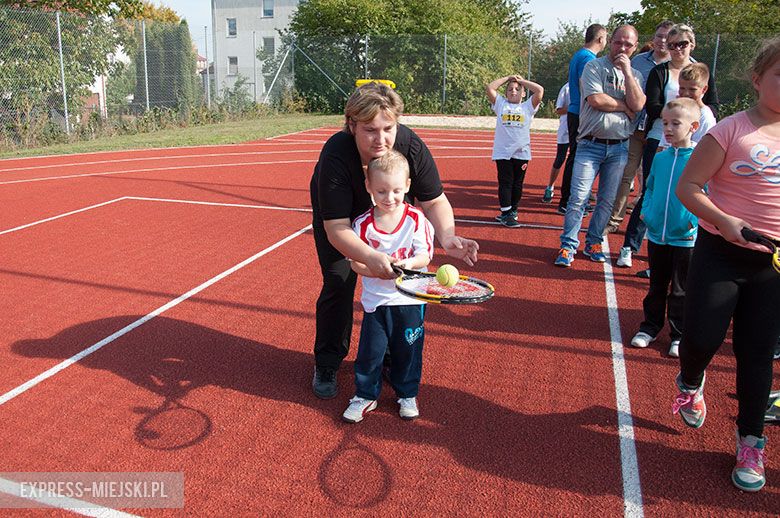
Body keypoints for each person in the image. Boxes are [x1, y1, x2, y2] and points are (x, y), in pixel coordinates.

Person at [309, 82, 479, 400]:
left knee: (399, 283)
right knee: (339, 278)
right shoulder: (336, 154)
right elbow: (336, 228)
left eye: (388, 128)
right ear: (351, 125)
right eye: (370, 130)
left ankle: (389, 356)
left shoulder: (409, 145)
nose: (382, 139)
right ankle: (328, 361)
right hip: (344, 214)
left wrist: (447, 236)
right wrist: (371, 258)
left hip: (390, 204)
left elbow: (434, 200)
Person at [671, 36, 780, 492]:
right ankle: (691, 380)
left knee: (757, 353)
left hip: (773, 265)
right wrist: (725, 220)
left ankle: (751, 439)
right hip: (721, 253)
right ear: (757, 80)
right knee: (702, 336)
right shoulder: (730, 131)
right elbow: (689, 187)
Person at [616, 24, 719, 269]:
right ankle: (630, 245)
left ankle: (682, 251)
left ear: (691, 44)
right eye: (671, 44)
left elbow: (711, 106)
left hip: (692, 148)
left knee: (686, 197)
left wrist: (691, 117)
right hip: (661, 141)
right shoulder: (660, 71)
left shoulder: (701, 72)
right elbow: (652, 106)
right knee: (653, 193)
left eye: (681, 44)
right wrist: (673, 118)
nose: (676, 49)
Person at [341, 150, 434, 423]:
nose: (389, 198)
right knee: (371, 352)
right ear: (369, 187)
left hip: (410, 301)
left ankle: (407, 393)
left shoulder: (417, 219)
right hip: (376, 302)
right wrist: (376, 270)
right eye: (381, 191)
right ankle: (365, 395)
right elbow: (355, 263)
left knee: (409, 351)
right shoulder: (362, 224)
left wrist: (404, 265)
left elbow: (425, 256)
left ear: (407, 186)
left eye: (396, 190)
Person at [554, 25, 645, 267]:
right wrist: (623, 105)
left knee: (606, 200)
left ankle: (593, 240)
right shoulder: (593, 66)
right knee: (578, 198)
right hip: (589, 144)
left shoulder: (635, 76)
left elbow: (637, 104)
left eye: (628, 45)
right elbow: (595, 100)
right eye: (618, 42)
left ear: (635, 47)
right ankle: (567, 246)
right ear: (610, 42)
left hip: (619, 147)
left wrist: (626, 73)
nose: (622, 48)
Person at [629, 98, 701, 358]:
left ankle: (679, 334)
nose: (668, 128)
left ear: (693, 126)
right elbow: (649, 188)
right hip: (657, 235)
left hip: (686, 239)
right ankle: (649, 327)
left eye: (675, 124)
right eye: (665, 123)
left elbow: (706, 195)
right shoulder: (660, 158)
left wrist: (693, 221)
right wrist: (648, 214)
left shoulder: (699, 160)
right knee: (656, 285)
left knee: (681, 289)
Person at [605, 20, 674, 235]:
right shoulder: (639, 61)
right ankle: (614, 220)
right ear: (653, 38)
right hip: (636, 125)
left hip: (662, 131)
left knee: (653, 180)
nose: (662, 41)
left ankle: (647, 225)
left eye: (667, 37)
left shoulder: (681, 65)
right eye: (659, 35)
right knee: (626, 174)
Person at [556, 24, 607, 216]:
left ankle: (569, 199)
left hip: (577, 112)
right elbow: (585, 84)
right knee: (578, 156)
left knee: (576, 156)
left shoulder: (580, 55)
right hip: (581, 113)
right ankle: (568, 200)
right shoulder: (587, 58)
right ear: (600, 38)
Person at [486, 74, 544, 227]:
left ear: (523, 93)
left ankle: (513, 210)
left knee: (517, 184)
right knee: (505, 182)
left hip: (522, 153)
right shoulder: (500, 104)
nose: (513, 91)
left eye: (517, 89)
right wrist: (508, 78)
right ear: (505, 93)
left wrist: (521, 81)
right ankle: (506, 213)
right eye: (510, 89)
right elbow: (490, 87)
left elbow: (539, 90)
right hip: (503, 153)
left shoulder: (527, 106)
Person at [543, 82, 570, 203]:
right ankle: (550, 186)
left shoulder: (589, 85)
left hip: (583, 130)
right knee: (560, 159)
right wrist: (575, 107)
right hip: (566, 130)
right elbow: (558, 110)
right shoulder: (567, 88)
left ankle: (577, 191)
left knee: (578, 162)